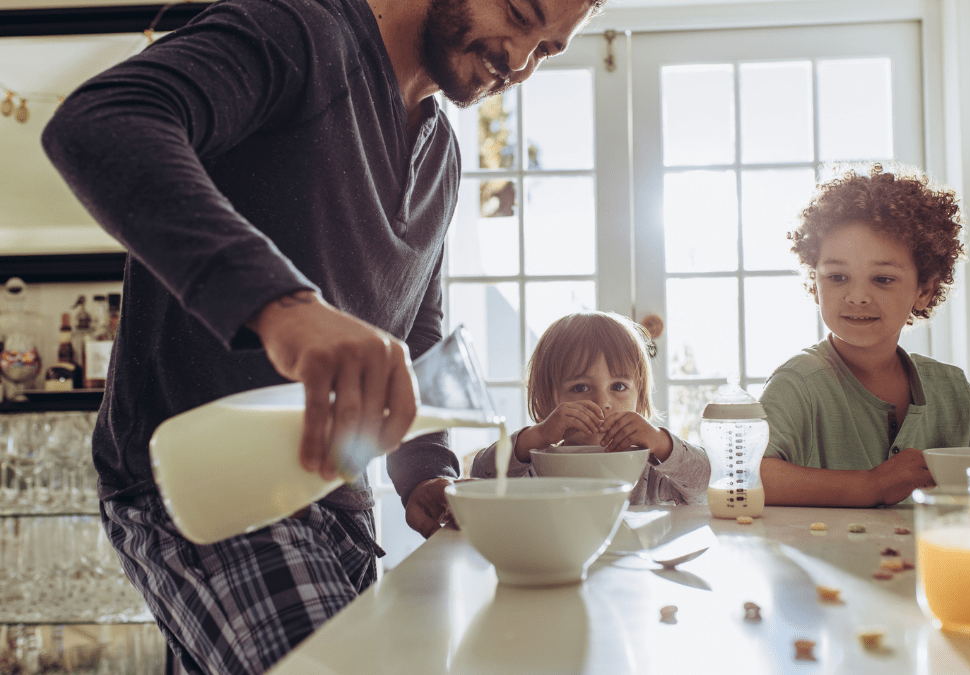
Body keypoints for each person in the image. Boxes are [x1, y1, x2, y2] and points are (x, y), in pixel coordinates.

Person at [40, 0, 603, 670]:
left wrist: (426, 471)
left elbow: (416, 322)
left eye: (545, 50)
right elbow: (101, 122)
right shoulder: (297, 32)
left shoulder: (444, 158)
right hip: (206, 484)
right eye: (517, 13)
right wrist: (283, 305)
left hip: (337, 504)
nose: (517, 61)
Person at [759, 164, 970, 508]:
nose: (857, 296)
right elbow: (748, 475)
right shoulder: (798, 384)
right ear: (815, 283)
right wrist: (870, 485)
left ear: (924, 291)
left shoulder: (952, 391)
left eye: (882, 279)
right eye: (837, 277)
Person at [471, 311, 710, 504]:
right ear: (547, 401)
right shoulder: (537, 465)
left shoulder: (653, 469)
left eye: (618, 386)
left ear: (640, 398)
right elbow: (481, 476)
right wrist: (537, 435)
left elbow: (708, 485)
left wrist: (661, 442)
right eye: (580, 388)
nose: (602, 402)